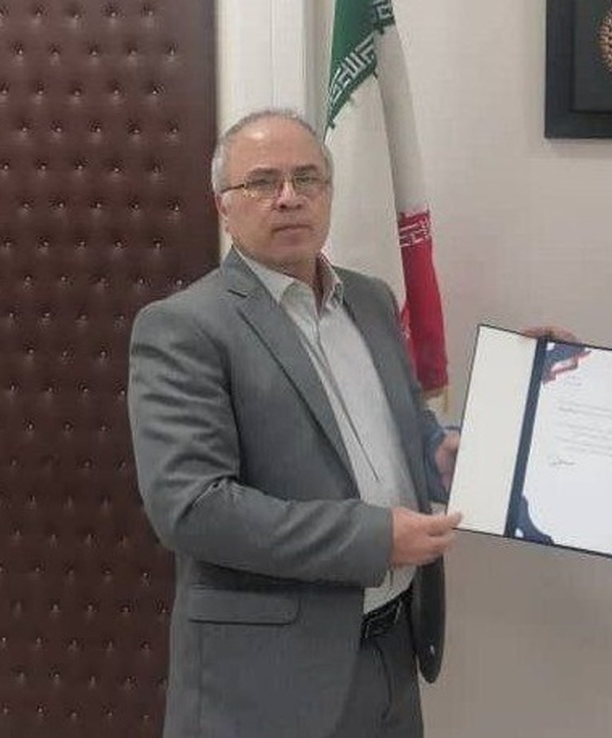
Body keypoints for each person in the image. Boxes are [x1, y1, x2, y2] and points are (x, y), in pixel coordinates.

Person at [127, 108, 462, 738]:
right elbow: (191, 507)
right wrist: (373, 539)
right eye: (262, 182)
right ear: (224, 206)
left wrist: (443, 450)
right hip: (266, 680)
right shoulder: (184, 328)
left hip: (393, 653)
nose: (289, 197)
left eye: (307, 178)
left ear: (328, 193)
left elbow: (402, 431)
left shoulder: (371, 300)